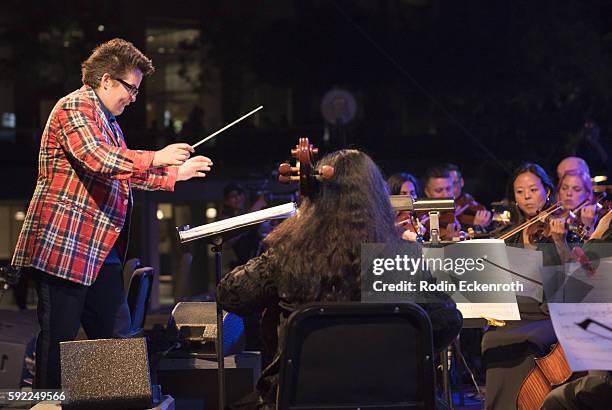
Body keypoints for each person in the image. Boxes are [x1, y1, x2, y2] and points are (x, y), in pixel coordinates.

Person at [11, 38, 213, 388]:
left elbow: (122, 172)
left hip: (99, 252)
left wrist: (173, 174)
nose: (134, 98)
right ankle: (44, 402)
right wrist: (157, 156)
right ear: (105, 80)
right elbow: (98, 159)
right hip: (67, 248)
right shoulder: (73, 107)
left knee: (119, 341)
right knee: (59, 341)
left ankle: (122, 399)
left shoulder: (110, 123)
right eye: (131, 88)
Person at [217, 149, 463, 409]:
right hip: (389, 400)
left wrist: (295, 230)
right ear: (378, 198)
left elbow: (230, 295)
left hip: (303, 401)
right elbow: (447, 322)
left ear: (316, 195)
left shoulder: (288, 256)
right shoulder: (401, 259)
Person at [482, 163, 563, 410]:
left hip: (547, 314)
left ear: (547, 191)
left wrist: (560, 242)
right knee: (491, 337)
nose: (527, 197)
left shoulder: (561, 230)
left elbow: (576, 278)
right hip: (514, 312)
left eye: (533, 189)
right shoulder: (508, 234)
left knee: (527, 339)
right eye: (519, 192)